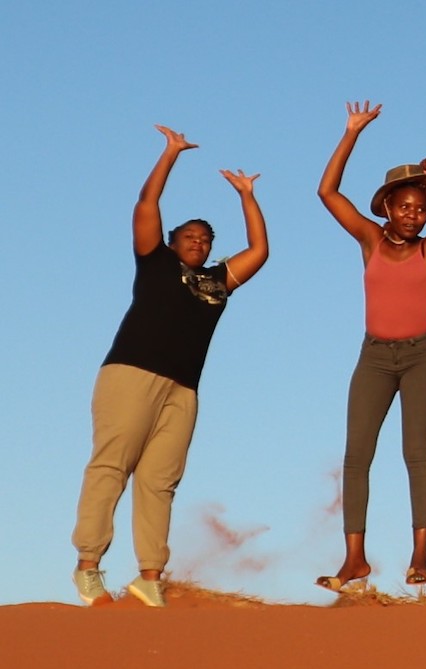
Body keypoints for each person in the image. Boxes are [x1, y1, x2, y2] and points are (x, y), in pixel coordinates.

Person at [74, 126, 272, 607]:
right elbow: (146, 203)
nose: (198, 243)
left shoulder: (217, 282)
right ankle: (88, 567)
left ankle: (148, 577)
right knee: (111, 467)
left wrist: (248, 196)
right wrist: (170, 154)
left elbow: (260, 250)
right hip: (131, 372)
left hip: (183, 389)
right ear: (171, 240)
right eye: (189, 236)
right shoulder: (155, 261)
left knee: (161, 480)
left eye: (205, 240)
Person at [314, 104, 426, 590]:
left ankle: (420, 554)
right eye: (405, 207)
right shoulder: (369, 239)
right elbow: (327, 192)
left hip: (421, 357)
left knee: (415, 450)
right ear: (388, 209)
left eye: (421, 208)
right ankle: (355, 559)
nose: (413, 215)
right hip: (374, 356)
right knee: (357, 454)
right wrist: (350, 132)